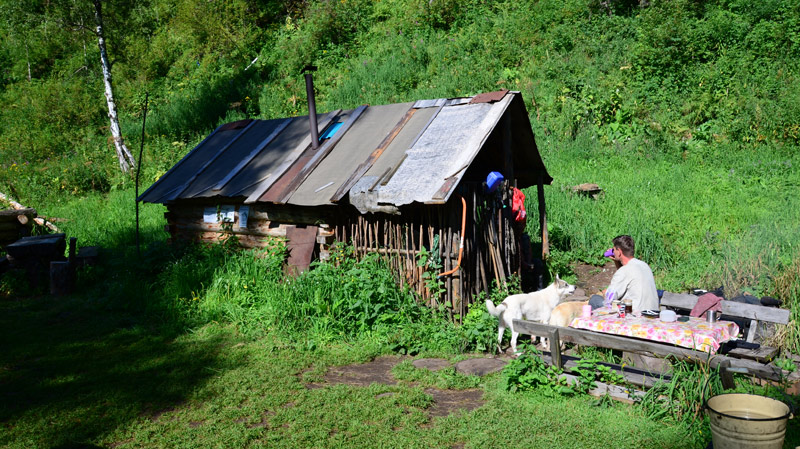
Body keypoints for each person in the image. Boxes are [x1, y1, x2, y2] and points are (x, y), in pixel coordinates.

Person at [589, 235, 659, 314]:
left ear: (619, 251)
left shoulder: (623, 271)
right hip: (652, 312)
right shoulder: (644, 265)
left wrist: (605, 293)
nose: (613, 251)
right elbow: (626, 276)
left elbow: (609, 299)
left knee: (595, 299)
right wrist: (616, 261)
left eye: (614, 249)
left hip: (634, 314)